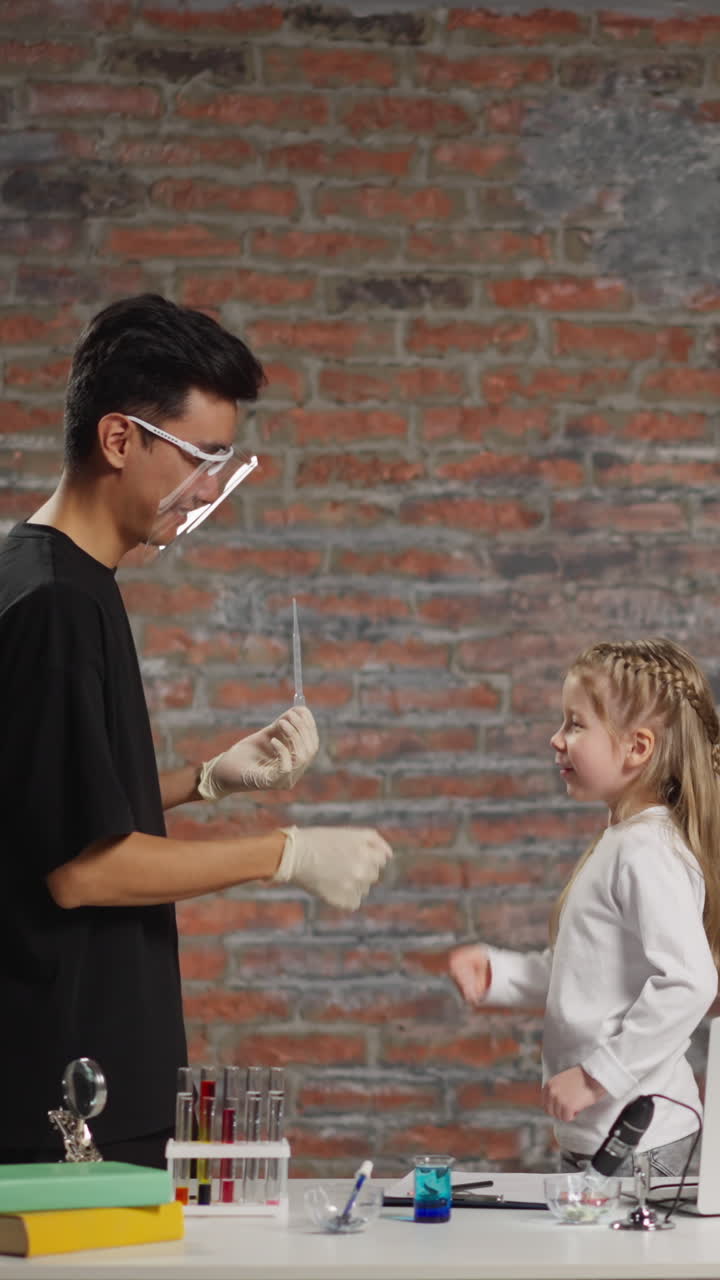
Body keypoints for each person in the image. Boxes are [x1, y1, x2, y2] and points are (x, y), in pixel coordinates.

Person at [0, 294, 391, 1168]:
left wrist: (207, 779)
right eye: (202, 458)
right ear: (118, 440)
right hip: (68, 1101)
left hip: (80, 1074)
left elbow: (47, 805)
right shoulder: (58, 605)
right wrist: (284, 853)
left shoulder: (51, 577)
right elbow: (81, 869)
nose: (211, 488)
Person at [449, 638, 720, 1176]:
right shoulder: (623, 842)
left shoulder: (646, 851)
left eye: (575, 724)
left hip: (640, 1143)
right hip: (610, 1136)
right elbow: (588, 971)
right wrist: (501, 974)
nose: (556, 739)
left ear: (637, 747)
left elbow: (690, 983)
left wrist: (597, 1077)